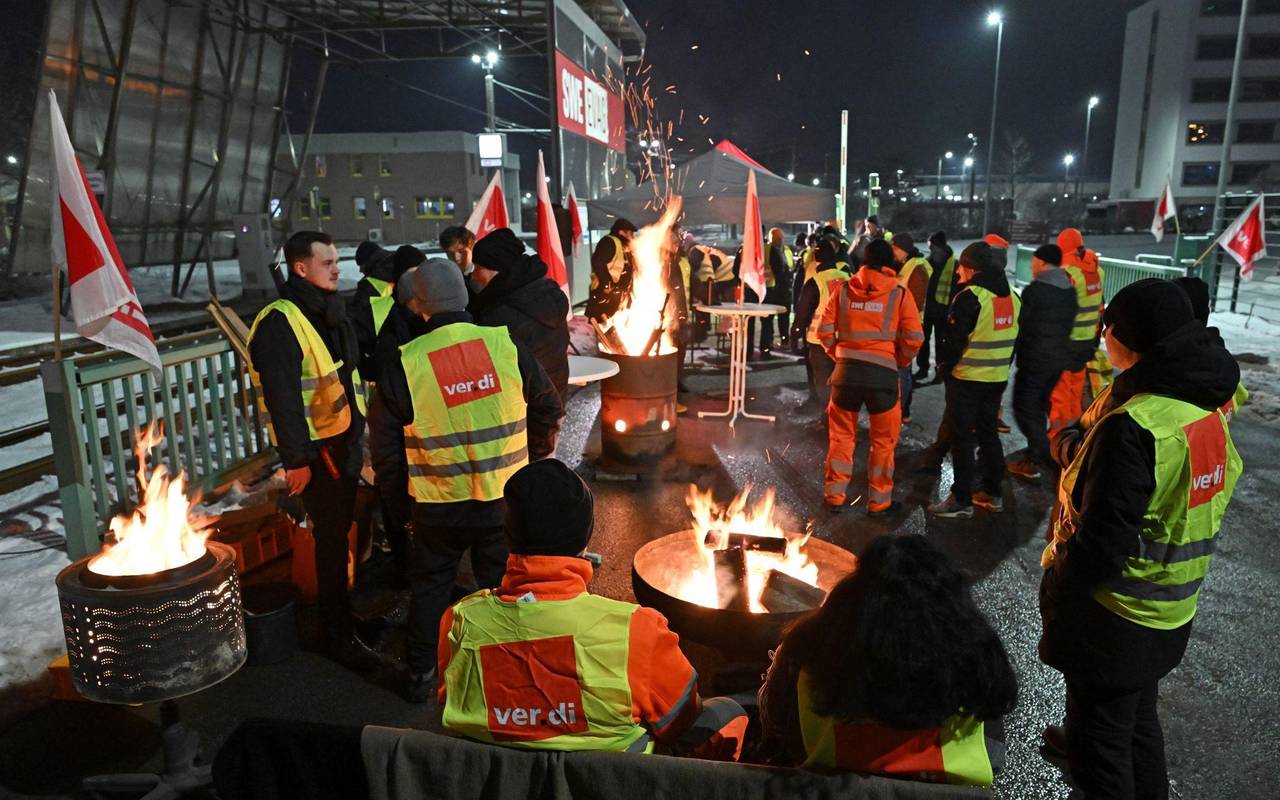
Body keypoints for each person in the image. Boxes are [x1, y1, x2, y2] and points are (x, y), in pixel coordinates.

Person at [1039, 279, 1241, 799]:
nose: (1104, 339)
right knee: (1137, 730)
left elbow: (1104, 542)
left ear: (1131, 338)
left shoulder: (1137, 424)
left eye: (1109, 329)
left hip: (1116, 614)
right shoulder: (1204, 404)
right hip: (1169, 608)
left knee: (1099, 753)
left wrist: (1060, 586)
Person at [438, 459, 748, 758]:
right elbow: (680, 722)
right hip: (613, 785)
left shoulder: (458, 622)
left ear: (508, 535)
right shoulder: (638, 632)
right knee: (729, 713)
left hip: (502, 783)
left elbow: (451, 701)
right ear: (585, 541)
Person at [368, 261, 562, 702]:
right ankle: (508, 675)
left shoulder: (406, 364)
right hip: (504, 501)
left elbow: (386, 454)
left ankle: (420, 676)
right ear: (465, 297)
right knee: (502, 587)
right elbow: (549, 406)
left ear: (419, 309)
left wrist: (399, 511)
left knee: (431, 588)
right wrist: (529, 463)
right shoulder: (505, 345)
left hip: (438, 505)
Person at [758, 534, 1017, 786]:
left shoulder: (809, 651)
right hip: (944, 789)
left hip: (831, 783)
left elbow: (777, 723)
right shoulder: (976, 661)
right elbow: (993, 740)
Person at [248, 231, 377, 669]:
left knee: (337, 532)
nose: (337, 268)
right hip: (319, 452)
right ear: (300, 268)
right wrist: (296, 461)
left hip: (341, 441)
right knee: (329, 537)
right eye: (328, 262)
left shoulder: (323, 309)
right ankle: (335, 632)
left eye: (337, 259)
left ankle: (341, 616)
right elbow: (283, 398)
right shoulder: (279, 321)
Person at [817, 240, 922, 516]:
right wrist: (898, 360)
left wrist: (839, 356)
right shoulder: (899, 293)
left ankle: (834, 496)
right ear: (891, 264)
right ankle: (879, 502)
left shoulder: (842, 290)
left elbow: (824, 331)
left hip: (846, 375)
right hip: (883, 377)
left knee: (841, 438)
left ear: (863, 261)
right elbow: (914, 338)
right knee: (883, 443)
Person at [928, 242, 1020, 518]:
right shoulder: (1013, 297)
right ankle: (992, 492)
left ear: (970, 268)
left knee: (962, 439)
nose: (958, 272)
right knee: (988, 434)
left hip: (967, 379)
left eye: (962, 267)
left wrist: (945, 368)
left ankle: (961, 498)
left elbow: (953, 342)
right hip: (996, 379)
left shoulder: (971, 297)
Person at [469, 228, 571, 402]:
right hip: (554, 399)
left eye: (478, 267)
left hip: (520, 407)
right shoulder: (544, 290)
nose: (474, 275)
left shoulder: (499, 315)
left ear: (495, 269)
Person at [1006, 245, 1078, 481]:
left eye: (1034, 261)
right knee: (1038, 410)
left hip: (1035, 361)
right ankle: (1033, 459)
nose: (1031, 265)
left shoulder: (1036, 291)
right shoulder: (1069, 289)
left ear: (1044, 263)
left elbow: (1023, 328)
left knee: (1024, 410)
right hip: (1056, 362)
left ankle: (1054, 463)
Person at [1048, 228, 1105, 440]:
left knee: (1060, 394)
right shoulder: (1097, 271)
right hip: (1086, 342)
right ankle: (1074, 433)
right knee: (1075, 390)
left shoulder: (1067, 274)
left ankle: (1058, 437)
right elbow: (1099, 306)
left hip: (1065, 343)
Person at [792, 237, 851, 418]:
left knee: (822, 382)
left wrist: (794, 336)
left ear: (817, 259)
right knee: (840, 382)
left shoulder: (816, 281)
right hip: (844, 339)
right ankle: (841, 419)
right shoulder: (848, 278)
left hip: (819, 340)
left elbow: (802, 313)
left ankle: (828, 421)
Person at [891, 233, 930, 423]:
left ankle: (903, 410)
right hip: (900, 324)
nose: (892, 252)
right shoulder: (905, 265)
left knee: (904, 369)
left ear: (904, 249)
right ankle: (900, 407)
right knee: (900, 369)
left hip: (908, 325)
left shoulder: (917, 269)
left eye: (895, 248)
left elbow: (916, 302)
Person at [918, 231, 957, 382]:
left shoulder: (954, 264)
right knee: (923, 341)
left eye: (932, 247)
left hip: (944, 311)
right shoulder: (927, 262)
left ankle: (939, 373)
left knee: (941, 344)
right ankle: (923, 369)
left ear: (939, 247)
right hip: (927, 310)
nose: (930, 251)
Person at [587, 218, 636, 322]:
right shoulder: (609, 242)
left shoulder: (623, 246)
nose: (633, 237)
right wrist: (606, 284)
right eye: (631, 234)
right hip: (605, 293)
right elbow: (598, 261)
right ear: (622, 232)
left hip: (618, 294)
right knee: (602, 324)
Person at [763, 227, 794, 353]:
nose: (780, 241)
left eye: (781, 238)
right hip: (771, 288)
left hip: (784, 288)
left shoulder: (787, 250)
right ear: (771, 239)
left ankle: (785, 340)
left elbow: (789, 267)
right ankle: (768, 343)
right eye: (777, 238)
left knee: (784, 317)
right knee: (768, 319)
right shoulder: (769, 250)